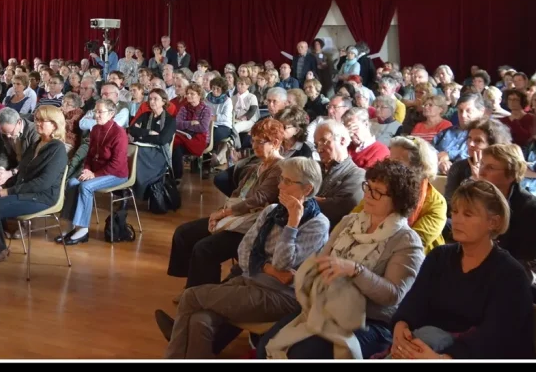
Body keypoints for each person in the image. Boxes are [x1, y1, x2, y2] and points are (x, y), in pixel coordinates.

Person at [158, 158, 330, 358]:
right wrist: (268, 269)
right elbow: (244, 251)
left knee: (190, 296)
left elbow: (283, 263)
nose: (280, 185)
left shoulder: (317, 225)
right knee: (200, 320)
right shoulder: (271, 211)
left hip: (281, 296)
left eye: (288, 182)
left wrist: (292, 224)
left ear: (307, 189)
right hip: (252, 280)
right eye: (281, 179)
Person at [259, 159, 425, 359]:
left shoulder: (406, 240)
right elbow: (323, 260)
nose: (368, 195)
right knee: (267, 344)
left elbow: (393, 296)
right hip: (326, 307)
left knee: (301, 353)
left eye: (378, 192)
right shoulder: (349, 222)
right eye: (368, 187)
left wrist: (356, 271)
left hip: (369, 321)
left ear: (398, 200)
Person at [389, 180, 535, 360]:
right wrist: (401, 327)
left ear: (494, 222)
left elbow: (495, 338)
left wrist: (443, 358)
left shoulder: (510, 275)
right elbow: (414, 302)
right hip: (426, 346)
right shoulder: (439, 257)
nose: (457, 220)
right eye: (455, 212)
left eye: (468, 214)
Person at [167, 119, 286, 291]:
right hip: (236, 216)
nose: (253, 146)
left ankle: (202, 294)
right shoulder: (258, 165)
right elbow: (237, 193)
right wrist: (222, 212)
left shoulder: (280, 167)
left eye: (259, 142)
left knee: (204, 248)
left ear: (275, 143)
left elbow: (258, 199)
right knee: (184, 233)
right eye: (253, 140)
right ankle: (194, 285)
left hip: (252, 226)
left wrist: (223, 214)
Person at [477, 143, 536, 321]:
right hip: (493, 277)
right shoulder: (481, 202)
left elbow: (527, 271)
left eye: (491, 167)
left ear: (511, 174)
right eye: (482, 165)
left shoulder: (534, 210)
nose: (482, 172)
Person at [57, 99, 129, 246]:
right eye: (95, 111)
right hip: (95, 172)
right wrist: (87, 169)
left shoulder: (119, 133)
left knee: (86, 187)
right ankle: (70, 226)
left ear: (111, 114)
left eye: (100, 112)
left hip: (116, 174)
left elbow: (117, 164)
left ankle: (83, 230)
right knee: (72, 182)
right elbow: (90, 155)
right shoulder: (96, 129)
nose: (96, 115)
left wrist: (94, 175)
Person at [0, 105, 68, 220]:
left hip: (42, 197)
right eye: (37, 119)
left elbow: (43, 183)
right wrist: (3, 186)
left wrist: (9, 191)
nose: (37, 123)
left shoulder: (57, 148)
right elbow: (23, 170)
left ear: (54, 125)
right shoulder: (37, 144)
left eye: (42, 121)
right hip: (27, 193)